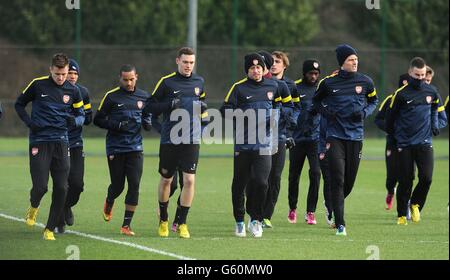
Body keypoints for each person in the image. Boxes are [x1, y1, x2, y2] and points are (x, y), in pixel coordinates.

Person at [15, 53, 85, 240]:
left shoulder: (73, 90)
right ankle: (34, 206)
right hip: (39, 141)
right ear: (50, 70)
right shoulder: (38, 85)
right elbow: (19, 104)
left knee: (62, 187)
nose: (61, 78)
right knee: (41, 187)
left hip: (61, 142)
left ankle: (49, 229)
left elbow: (81, 114)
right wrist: (30, 123)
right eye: (57, 74)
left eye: (63, 74)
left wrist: (75, 121)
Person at [221, 52, 290, 238]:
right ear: (247, 71)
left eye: (259, 67)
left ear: (263, 69)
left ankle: (256, 220)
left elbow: (282, 107)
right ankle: (239, 221)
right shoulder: (238, 88)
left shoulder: (273, 86)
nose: (256, 70)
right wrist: (243, 118)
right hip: (243, 146)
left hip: (264, 144)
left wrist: (274, 120)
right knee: (240, 184)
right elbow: (225, 110)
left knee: (261, 183)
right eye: (252, 68)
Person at [313, 44, 378, 236]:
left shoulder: (366, 81)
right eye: (351, 60)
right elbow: (316, 102)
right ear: (342, 62)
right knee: (338, 180)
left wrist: (365, 112)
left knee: (348, 182)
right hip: (335, 137)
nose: (355, 62)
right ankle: (340, 224)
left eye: (356, 59)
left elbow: (373, 100)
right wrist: (327, 112)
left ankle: (331, 202)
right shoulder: (328, 83)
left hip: (356, 137)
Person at [144, 47, 207, 239]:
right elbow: (149, 107)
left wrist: (202, 124)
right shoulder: (166, 83)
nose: (188, 66)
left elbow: (201, 107)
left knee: (189, 180)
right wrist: (168, 106)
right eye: (185, 62)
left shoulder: (199, 82)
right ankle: (163, 220)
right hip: (170, 141)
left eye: (191, 62)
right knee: (167, 181)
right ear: (177, 61)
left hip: (191, 140)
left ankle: (183, 223)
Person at [94, 64, 151, 236]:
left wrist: (148, 121)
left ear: (137, 77)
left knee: (134, 185)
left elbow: (148, 115)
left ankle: (126, 225)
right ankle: (109, 200)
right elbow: (97, 119)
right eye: (125, 80)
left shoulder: (144, 97)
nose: (128, 83)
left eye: (131, 79)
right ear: (120, 78)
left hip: (135, 147)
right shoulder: (111, 97)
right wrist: (117, 125)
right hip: (116, 147)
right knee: (118, 186)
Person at [386, 57, 442, 225]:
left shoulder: (432, 91)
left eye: (423, 75)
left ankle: (416, 203)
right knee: (405, 179)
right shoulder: (401, 94)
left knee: (427, 178)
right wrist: (396, 137)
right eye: (417, 75)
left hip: (425, 142)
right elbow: (390, 118)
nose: (420, 78)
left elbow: (434, 109)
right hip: (405, 144)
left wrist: (435, 124)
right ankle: (402, 214)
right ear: (410, 73)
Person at [257, 50, 296, 229]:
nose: (273, 64)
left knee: (276, 176)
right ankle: (255, 211)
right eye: (271, 61)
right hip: (261, 136)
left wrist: (289, 132)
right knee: (260, 177)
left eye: (277, 61)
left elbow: (294, 109)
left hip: (280, 136)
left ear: (284, 65)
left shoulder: (288, 86)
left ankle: (266, 215)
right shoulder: (259, 84)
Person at [55, 59, 93, 233]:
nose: (72, 76)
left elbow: (88, 117)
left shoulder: (83, 92)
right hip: (58, 143)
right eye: (70, 72)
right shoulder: (55, 90)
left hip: (76, 144)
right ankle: (59, 220)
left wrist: (80, 118)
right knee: (63, 183)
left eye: (75, 73)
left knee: (77, 185)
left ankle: (66, 206)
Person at [288, 59, 322, 225]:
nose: (314, 76)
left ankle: (311, 212)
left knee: (316, 174)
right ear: (304, 73)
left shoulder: (322, 88)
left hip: (315, 139)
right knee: (294, 175)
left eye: (316, 74)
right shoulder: (294, 87)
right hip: (297, 139)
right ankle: (292, 208)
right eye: (311, 73)